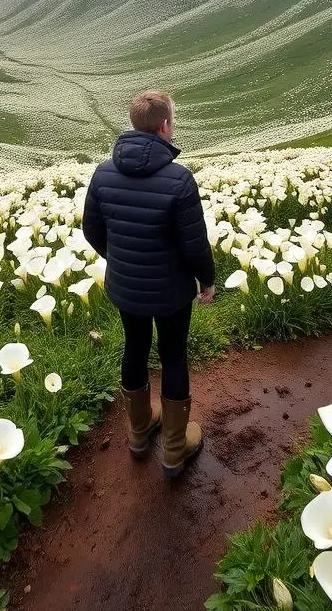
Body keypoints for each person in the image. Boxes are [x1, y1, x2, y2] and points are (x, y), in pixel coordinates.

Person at [81, 89, 216, 478]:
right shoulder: (178, 179)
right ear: (165, 125)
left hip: (126, 287)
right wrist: (206, 280)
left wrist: (121, 260)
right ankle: (174, 451)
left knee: (135, 348)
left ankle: (140, 434)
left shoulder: (103, 172)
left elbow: (92, 229)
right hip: (172, 292)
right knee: (173, 355)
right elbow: (194, 244)